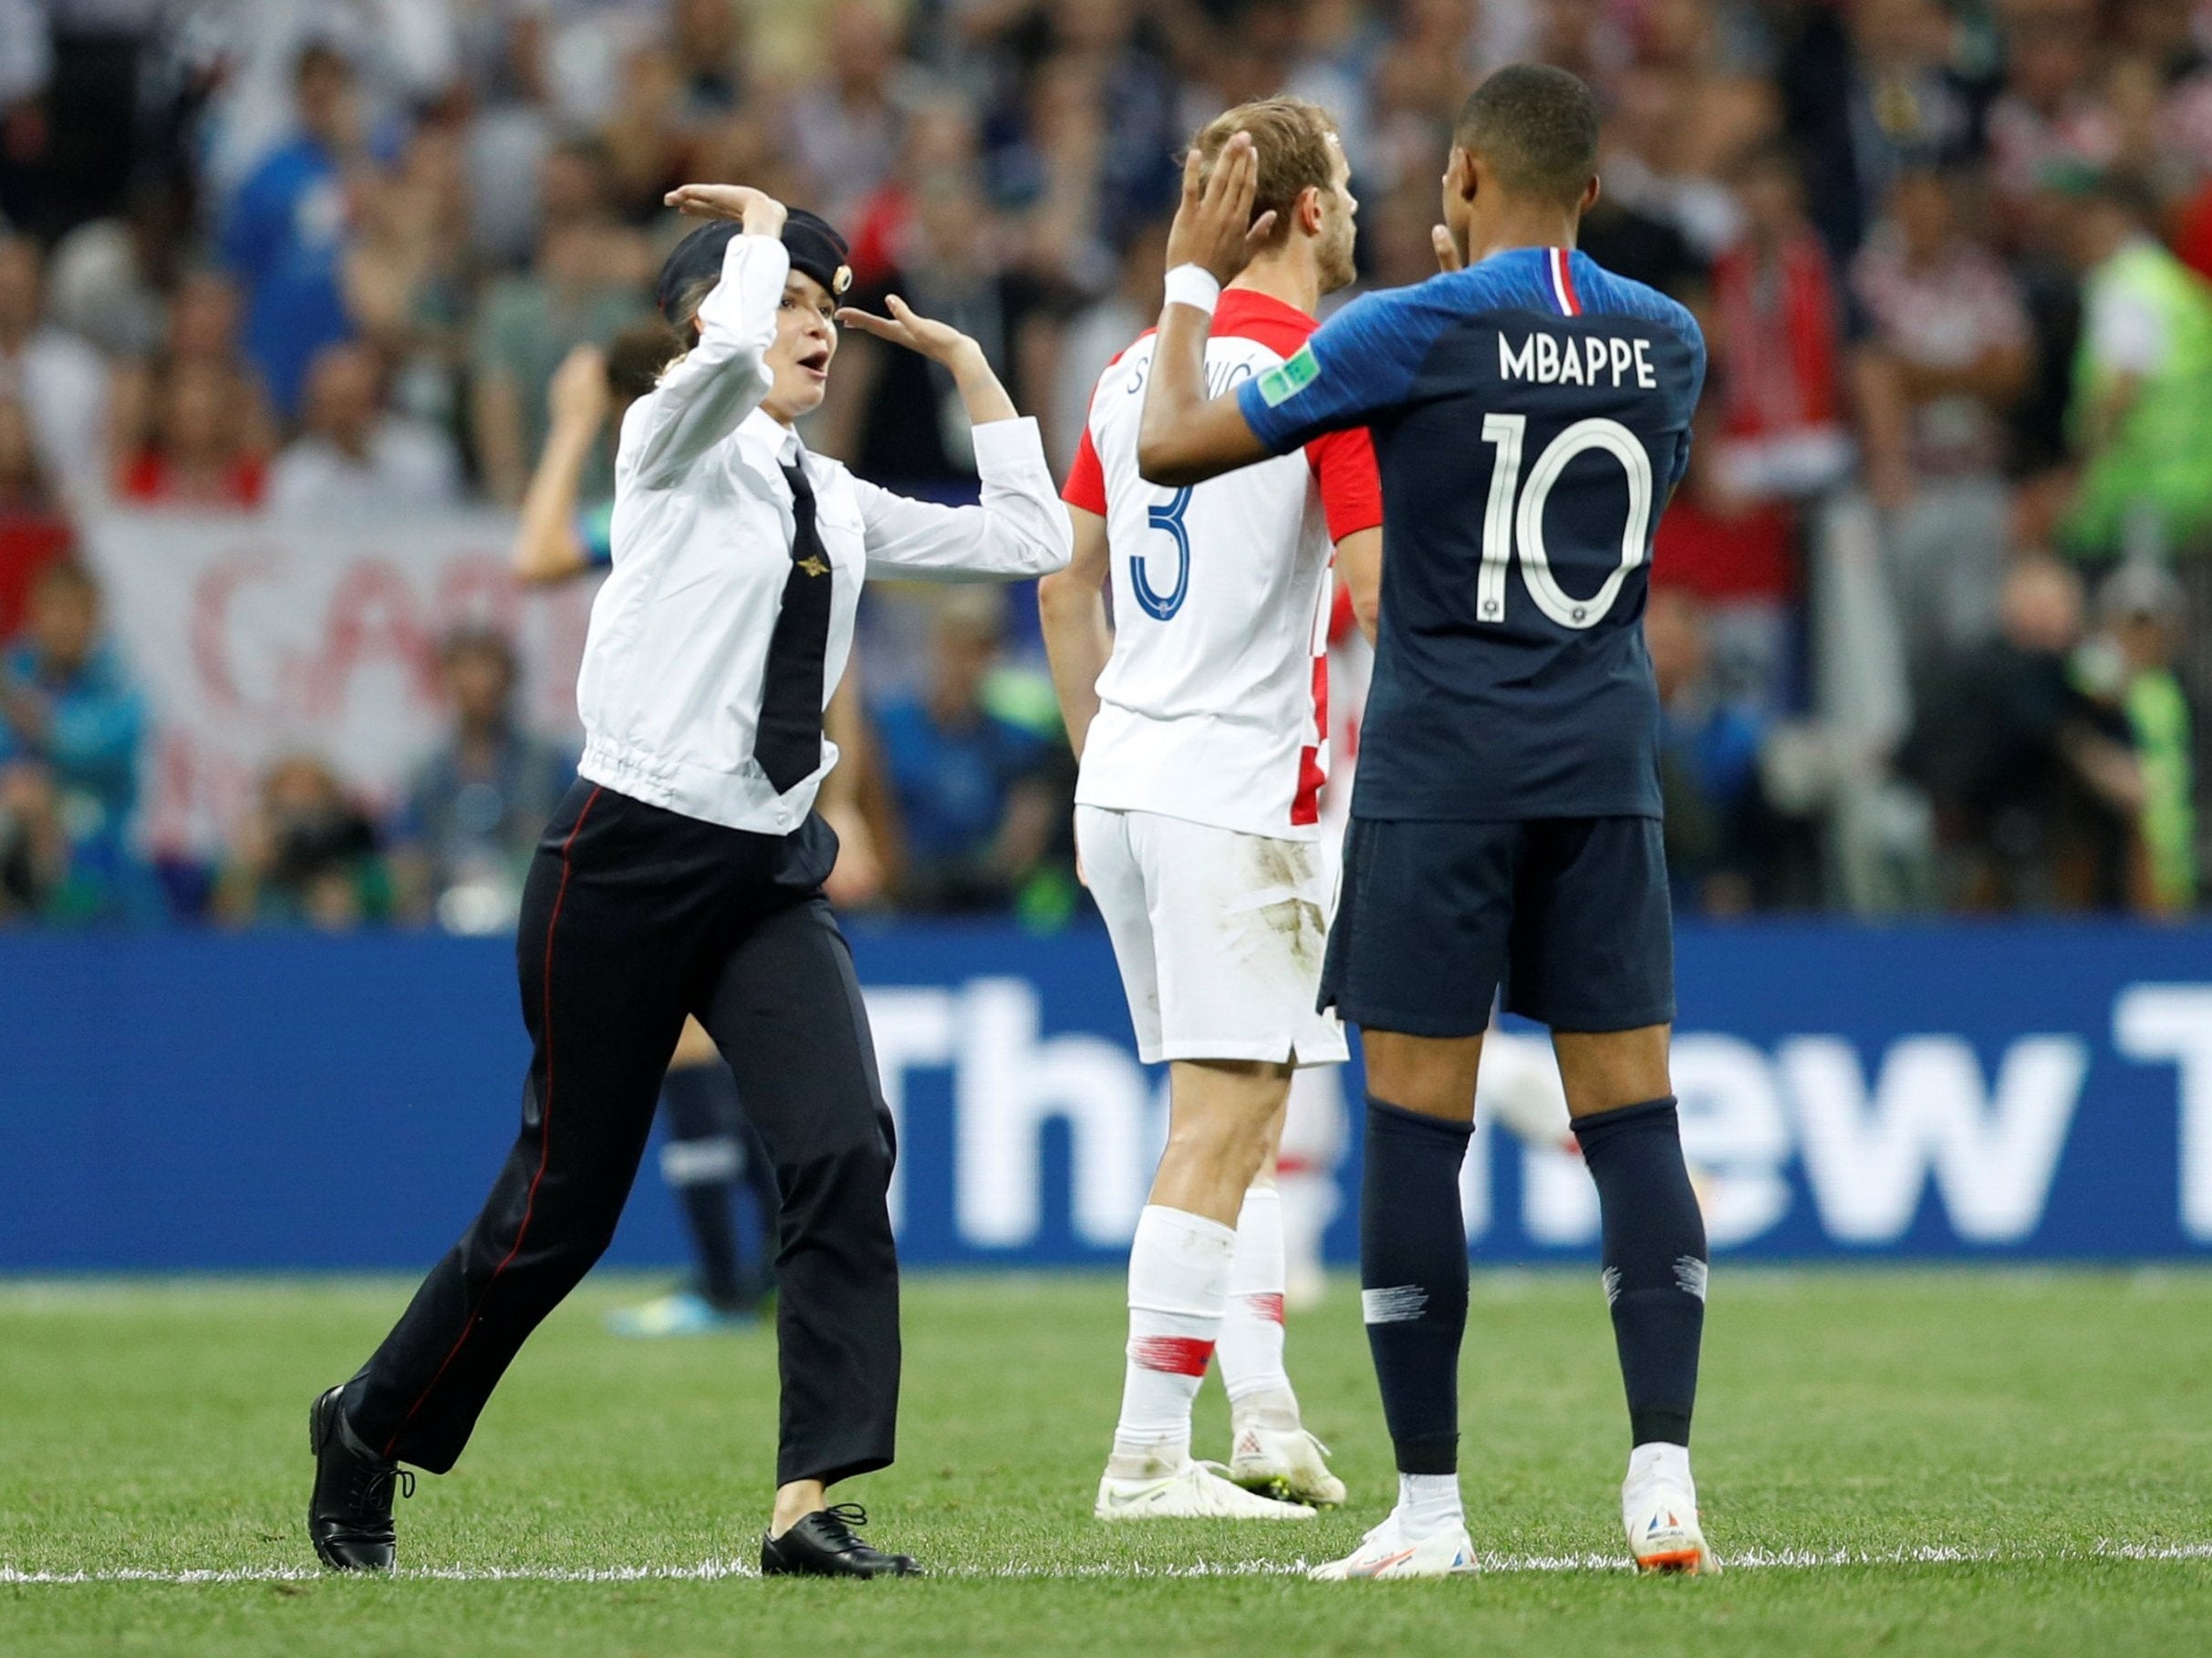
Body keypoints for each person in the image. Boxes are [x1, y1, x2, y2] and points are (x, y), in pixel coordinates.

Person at [306, 181, 1070, 1580]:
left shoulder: (830, 496)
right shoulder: (665, 441)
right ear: (708, 317)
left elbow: (1034, 542)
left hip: (771, 870)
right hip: (627, 855)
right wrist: (767, 232)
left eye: (828, 311)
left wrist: (972, 375)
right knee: (562, 1211)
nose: (815, 327)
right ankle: (367, 1422)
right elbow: (715, 365)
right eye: (788, 302)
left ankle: (807, 1505)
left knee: (843, 1148)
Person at [1134, 65, 1714, 1579]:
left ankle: (1433, 1512)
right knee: (1632, 1119)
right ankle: (1664, 1475)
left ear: (1459, 176)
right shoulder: (1669, 338)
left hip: (1441, 772)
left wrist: (1192, 276)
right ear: (1591, 188)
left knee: (1413, 1131)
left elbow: (1172, 440)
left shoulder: (1403, 330)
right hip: (1600, 763)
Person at [1037, 96, 1378, 1522]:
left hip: (1121, 779)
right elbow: (1373, 595)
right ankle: (1145, 1457)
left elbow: (1064, 583)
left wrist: (1109, 748)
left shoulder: (1129, 373)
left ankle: (1270, 1415)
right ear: (1303, 211)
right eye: (1346, 187)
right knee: (1230, 1115)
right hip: (1235, 790)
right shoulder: (1319, 370)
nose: (1356, 208)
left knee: (1235, 1104)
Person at [509, 330, 793, 1338]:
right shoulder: (747, 485)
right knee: (702, 1037)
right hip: (743, 773)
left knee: (693, 1040)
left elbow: (535, 551)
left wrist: (573, 419)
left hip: (695, 783)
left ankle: (736, 1279)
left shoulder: (670, 492)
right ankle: (754, 1272)